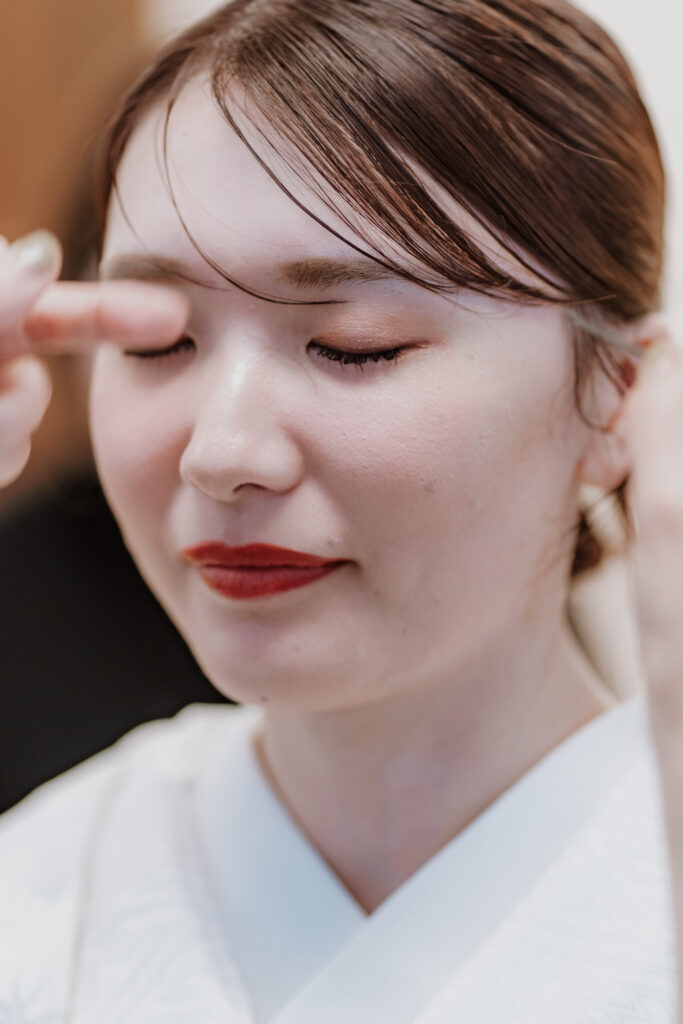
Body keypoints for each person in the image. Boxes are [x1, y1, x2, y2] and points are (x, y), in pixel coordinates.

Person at [1, 1, 682, 1020]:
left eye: (355, 344)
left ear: (616, 395)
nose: (221, 453)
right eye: (157, 343)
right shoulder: (42, 896)